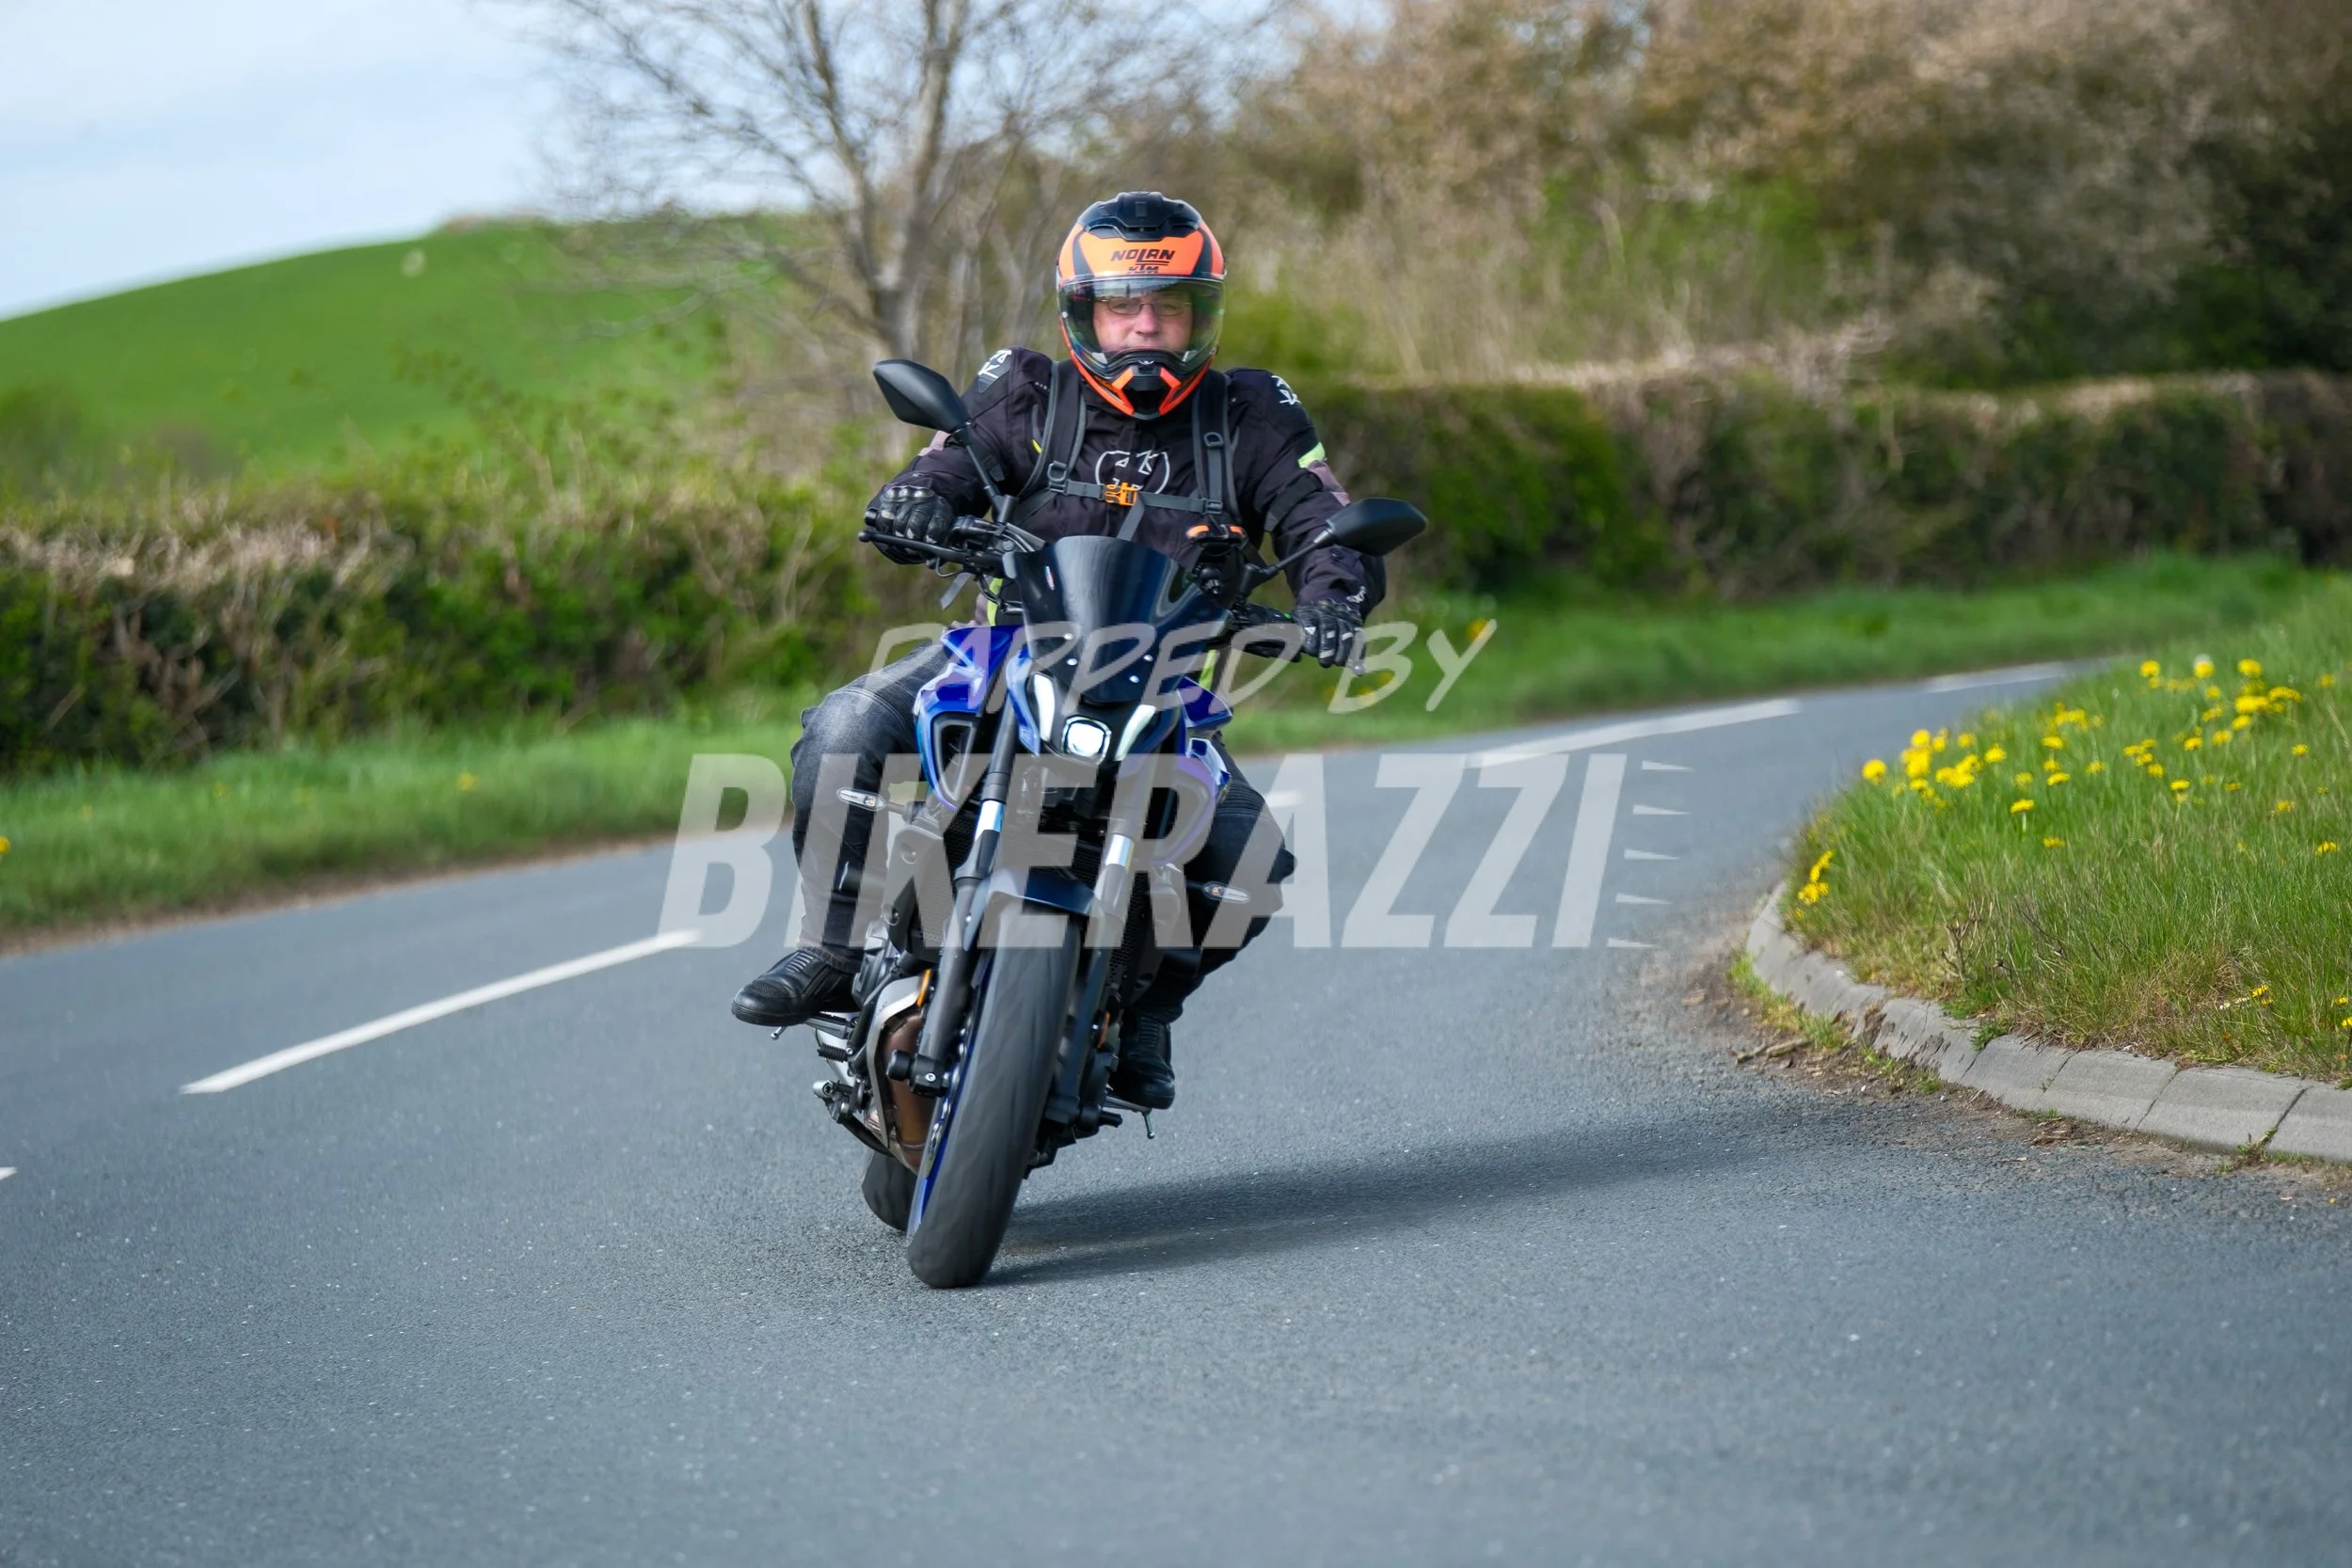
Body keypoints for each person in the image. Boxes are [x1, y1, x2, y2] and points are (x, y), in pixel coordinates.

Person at [730, 191, 1383, 1110]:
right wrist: (914, 503)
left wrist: (1332, 599)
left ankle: (1148, 1005)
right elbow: (945, 466)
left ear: (1203, 313)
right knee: (847, 722)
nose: (1146, 328)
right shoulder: (1027, 390)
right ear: (1084, 312)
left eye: (1169, 307)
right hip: (1002, 655)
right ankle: (834, 947)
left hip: (1161, 688)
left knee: (1251, 861)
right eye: (1124, 307)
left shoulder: (1252, 414)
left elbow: (1321, 518)